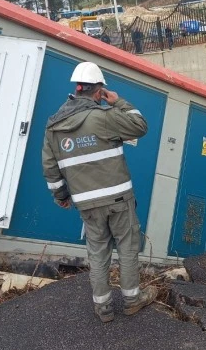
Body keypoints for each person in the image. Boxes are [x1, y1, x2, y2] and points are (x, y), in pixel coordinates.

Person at [42, 62, 156, 323]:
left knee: (97, 251)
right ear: (98, 91)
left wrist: (61, 196)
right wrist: (118, 102)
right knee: (127, 247)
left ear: (77, 89)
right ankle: (131, 300)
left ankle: (103, 308)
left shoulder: (53, 127)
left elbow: (50, 166)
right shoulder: (104, 116)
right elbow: (140, 125)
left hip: (87, 204)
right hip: (118, 198)